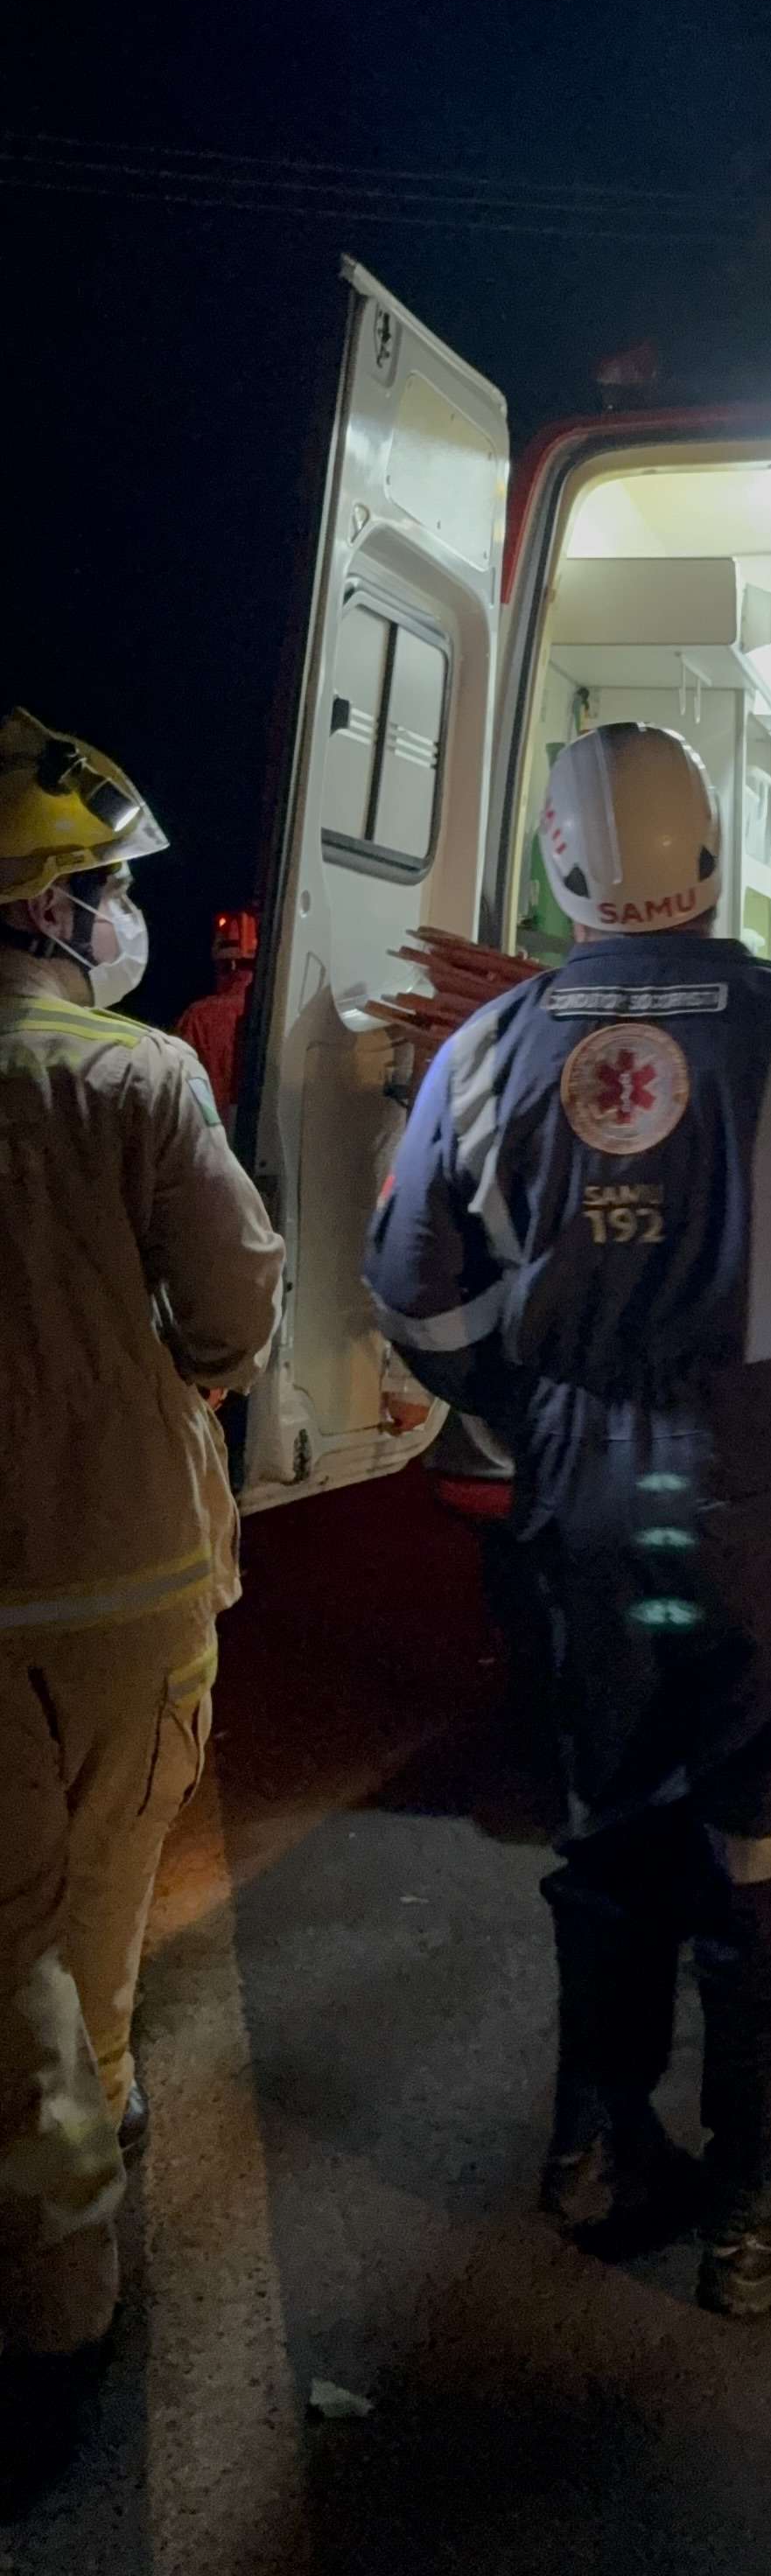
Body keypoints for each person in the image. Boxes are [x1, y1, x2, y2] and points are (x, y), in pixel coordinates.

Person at [364, 723, 771, 2318]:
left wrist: (527, 1407)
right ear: (711, 854)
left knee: (614, 1820)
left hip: (580, 1498)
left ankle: (597, 2154)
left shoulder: (486, 1047)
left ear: (560, 869)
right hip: (762, 1496)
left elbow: (416, 1298)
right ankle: (766, 2210)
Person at [0, 709, 283, 2515]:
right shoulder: (136, 1078)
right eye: (103, 884)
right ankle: (56, 2332)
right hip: (120, 1586)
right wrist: (165, 1369)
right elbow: (236, 1304)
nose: (121, 913)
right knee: (79, 1954)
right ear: (45, 906)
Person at [173, 904, 258, 1131]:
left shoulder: (201, 1017)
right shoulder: (281, 1011)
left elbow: (181, 1088)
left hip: (210, 1132)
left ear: (227, 964)